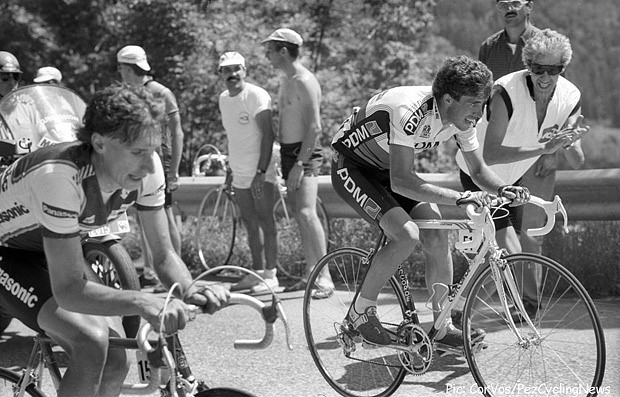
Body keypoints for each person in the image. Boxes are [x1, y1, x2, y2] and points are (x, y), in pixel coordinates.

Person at [0, 83, 229, 396]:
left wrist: (191, 288)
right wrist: (143, 300)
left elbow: (162, 257)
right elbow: (68, 291)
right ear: (99, 143)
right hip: (8, 255)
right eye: (137, 153)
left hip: (50, 247)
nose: (150, 165)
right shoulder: (59, 176)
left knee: (116, 358)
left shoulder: (146, 169)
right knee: (91, 342)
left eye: (152, 151)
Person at [330, 55, 530, 348]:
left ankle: (441, 326)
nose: (480, 111)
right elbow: (402, 180)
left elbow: (476, 170)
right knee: (406, 235)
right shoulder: (408, 110)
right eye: (475, 103)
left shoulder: (462, 117)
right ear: (448, 99)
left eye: (483, 102)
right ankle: (360, 313)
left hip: (387, 170)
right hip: (353, 167)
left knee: (437, 235)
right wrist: (459, 197)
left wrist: (503, 189)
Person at [456, 29, 586, 315]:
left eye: (553, 70)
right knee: (509, 255)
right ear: (528, 65)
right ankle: (458, 319)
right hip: (480, 173)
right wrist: (544, 148)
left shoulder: (570, 95)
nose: (544, 77)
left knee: (501, 258)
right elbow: (490, 154)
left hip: (512, 179)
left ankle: (457, 317)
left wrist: (568, 144)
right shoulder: (506, 91)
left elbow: (578, 161)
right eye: (538, 68)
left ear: (562, 69)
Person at [480, 0, 556, 256]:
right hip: (497, 152)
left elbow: (559, 100)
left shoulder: (546, 45)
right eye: (502, 4)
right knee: (501, 233)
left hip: (534, 152)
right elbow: (481, 99)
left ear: (529, 6)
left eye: (515, 2)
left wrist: (548, 152)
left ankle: (530, 299)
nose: (508, 9)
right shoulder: (489, 47)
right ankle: (506, 294)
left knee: (531, 232)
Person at [262, 28, 333, 294]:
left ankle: (324, 277)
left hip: (306, 153)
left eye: (270, 50)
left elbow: (315, 128)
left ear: (283, 51)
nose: (266, 55)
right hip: (290, 152)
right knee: (300, 216)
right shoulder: (287, 79)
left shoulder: (304, 80)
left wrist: (301, 164)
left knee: (306, 212)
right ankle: (311, 273)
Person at [117, 45, 184, 290]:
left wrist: (174, 170)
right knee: (145, 213)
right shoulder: (131, 92)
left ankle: (177, 275)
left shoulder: (159, 91)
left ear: (128, 68)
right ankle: (152, 271)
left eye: (121, 68)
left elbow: (177, 132)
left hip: (161, 161)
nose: (120, 73)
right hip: (140, 160)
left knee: (165, 215)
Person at [217, 51, 279, 293]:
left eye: (236, 69)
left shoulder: (256, 95)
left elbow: (268, 134)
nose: (232, 74)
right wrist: (231, 171)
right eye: (226, 70)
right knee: (250, 222)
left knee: (266, 220)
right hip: (239, 170)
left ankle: (271, 275)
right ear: (221, 73)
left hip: (260, 170)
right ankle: (256, 273)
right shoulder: (224, 98)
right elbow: (233, 136)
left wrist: (261, 171)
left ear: (244, 70)